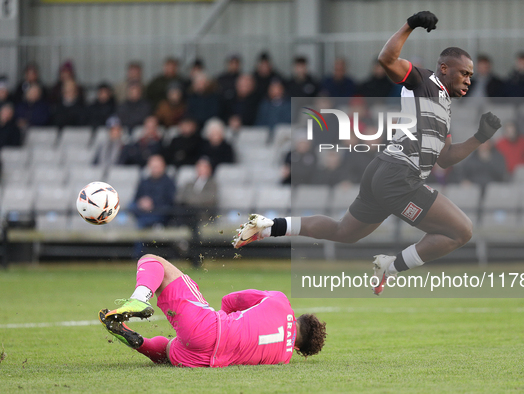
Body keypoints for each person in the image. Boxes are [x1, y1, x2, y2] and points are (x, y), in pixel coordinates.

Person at [231, 11, 502, 296]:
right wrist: (411, 24)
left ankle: (268, 226)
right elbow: (386, 59)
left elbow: (445, 158)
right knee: (461, 231)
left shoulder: (443, 106)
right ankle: (391, 266)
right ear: (445, 68)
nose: (469, 80)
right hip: (399, 176)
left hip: (384, 171)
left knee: (342, 232)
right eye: (465, 73)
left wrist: (479, 137)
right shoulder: (425, 80)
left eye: (471, 75)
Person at [98, 253, 327, 367]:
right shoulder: (283, 357)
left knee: (152, 261)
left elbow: (230, 300)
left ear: (299, 316)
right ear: (299, 349)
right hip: (205, 359)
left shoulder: (280, 302)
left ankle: (139, 299)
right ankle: (141, 343)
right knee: (169, 349)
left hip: (210, 328)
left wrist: (216, 322)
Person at [130, 154, 176, 229]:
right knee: (130, 206)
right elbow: (136, 197)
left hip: (159, 213)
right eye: (153, 167)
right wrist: (141, 202)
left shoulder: (169, 183)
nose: (155, 169)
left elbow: (169, 202)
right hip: (142, 211)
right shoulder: (144, 182)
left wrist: (152, 204)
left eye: (157, 167)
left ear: (163, 167)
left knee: (143, 223)